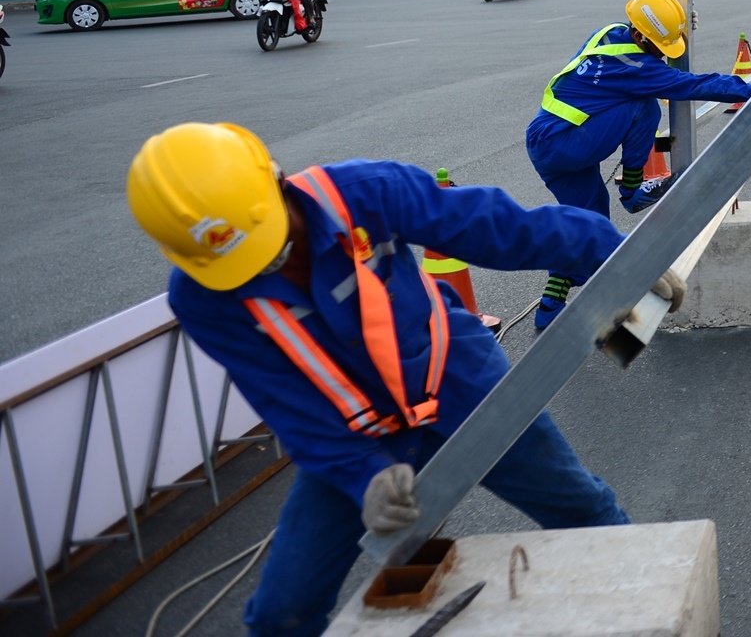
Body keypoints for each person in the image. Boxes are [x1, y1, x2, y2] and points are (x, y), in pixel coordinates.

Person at [125, 122, 681, 637]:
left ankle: (649, 606)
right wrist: (362, 476)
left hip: (458, 383)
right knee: (281, 612)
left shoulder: (363, 193)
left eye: (270, 244)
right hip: (354, 437)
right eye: (244, 263)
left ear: (277, 182)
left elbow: (498, 227)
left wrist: (621, 257)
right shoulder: (202, 297)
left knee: (577, 506)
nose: (267, 266)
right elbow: (286, 401)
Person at [524, 0, 751, 327]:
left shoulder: (609, 33)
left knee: (588, 223)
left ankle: (549, 308)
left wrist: (678, 32)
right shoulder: (637, 68)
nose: (662, 55)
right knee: (645, 107)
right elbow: (693, 85)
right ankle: (632, 191)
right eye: (659, 47)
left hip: (544, 141)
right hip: (566, 142)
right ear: (640, 37)